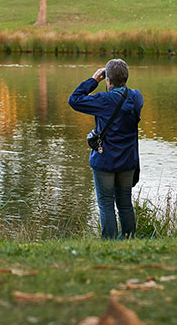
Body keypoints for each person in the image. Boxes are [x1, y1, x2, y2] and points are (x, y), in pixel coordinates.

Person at [69, 58, 143, 239]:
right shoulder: (136, 97)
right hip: (128, 160)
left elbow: (74, 100)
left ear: (107, 80)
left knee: (106, 204)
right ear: (126, 78)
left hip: (105, 160)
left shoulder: (103, 100)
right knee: (125, 204)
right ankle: (128, 239)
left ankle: (109, 243)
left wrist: (94, 80)